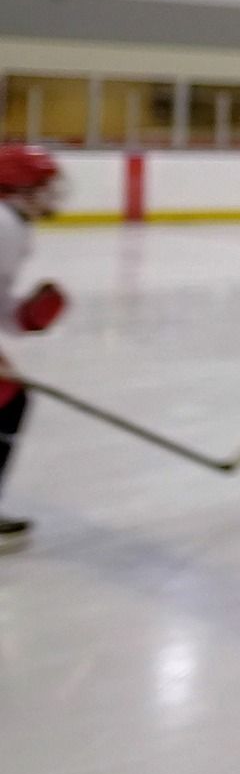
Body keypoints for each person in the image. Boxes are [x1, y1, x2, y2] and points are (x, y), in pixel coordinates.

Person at [0, 144, 68, 554]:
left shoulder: (13, 223)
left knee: (10, 400)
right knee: (8, 401)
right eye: (43, 186)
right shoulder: (3, 224)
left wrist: (22, 317)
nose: (51, 194)